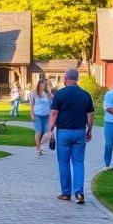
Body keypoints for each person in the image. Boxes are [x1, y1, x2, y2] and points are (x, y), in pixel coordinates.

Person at [47, 69, 95, 204]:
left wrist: (50, 129)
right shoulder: (85, 95)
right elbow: (90, 115)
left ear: (66, 78)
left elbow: (54, 113)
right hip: (79, 131)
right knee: (78, 162)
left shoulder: (60, 94)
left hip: (63, 132)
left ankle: (66, 192)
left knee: (64, 163)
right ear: (77, 78)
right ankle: (79, 193)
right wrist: (89, 130)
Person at [29, 80, 53, 156]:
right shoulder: (34, 94)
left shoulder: (47, 94)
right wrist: (32, 114)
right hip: (37, 115)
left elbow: (53, 102)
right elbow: (31, 105)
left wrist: (49, 91)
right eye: (42, 84)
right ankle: (38, 148)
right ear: (38, 85)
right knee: (39, 132)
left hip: (46, 116)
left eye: (44, 85)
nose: (43, 86)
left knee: (46, 132)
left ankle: (39, 146)